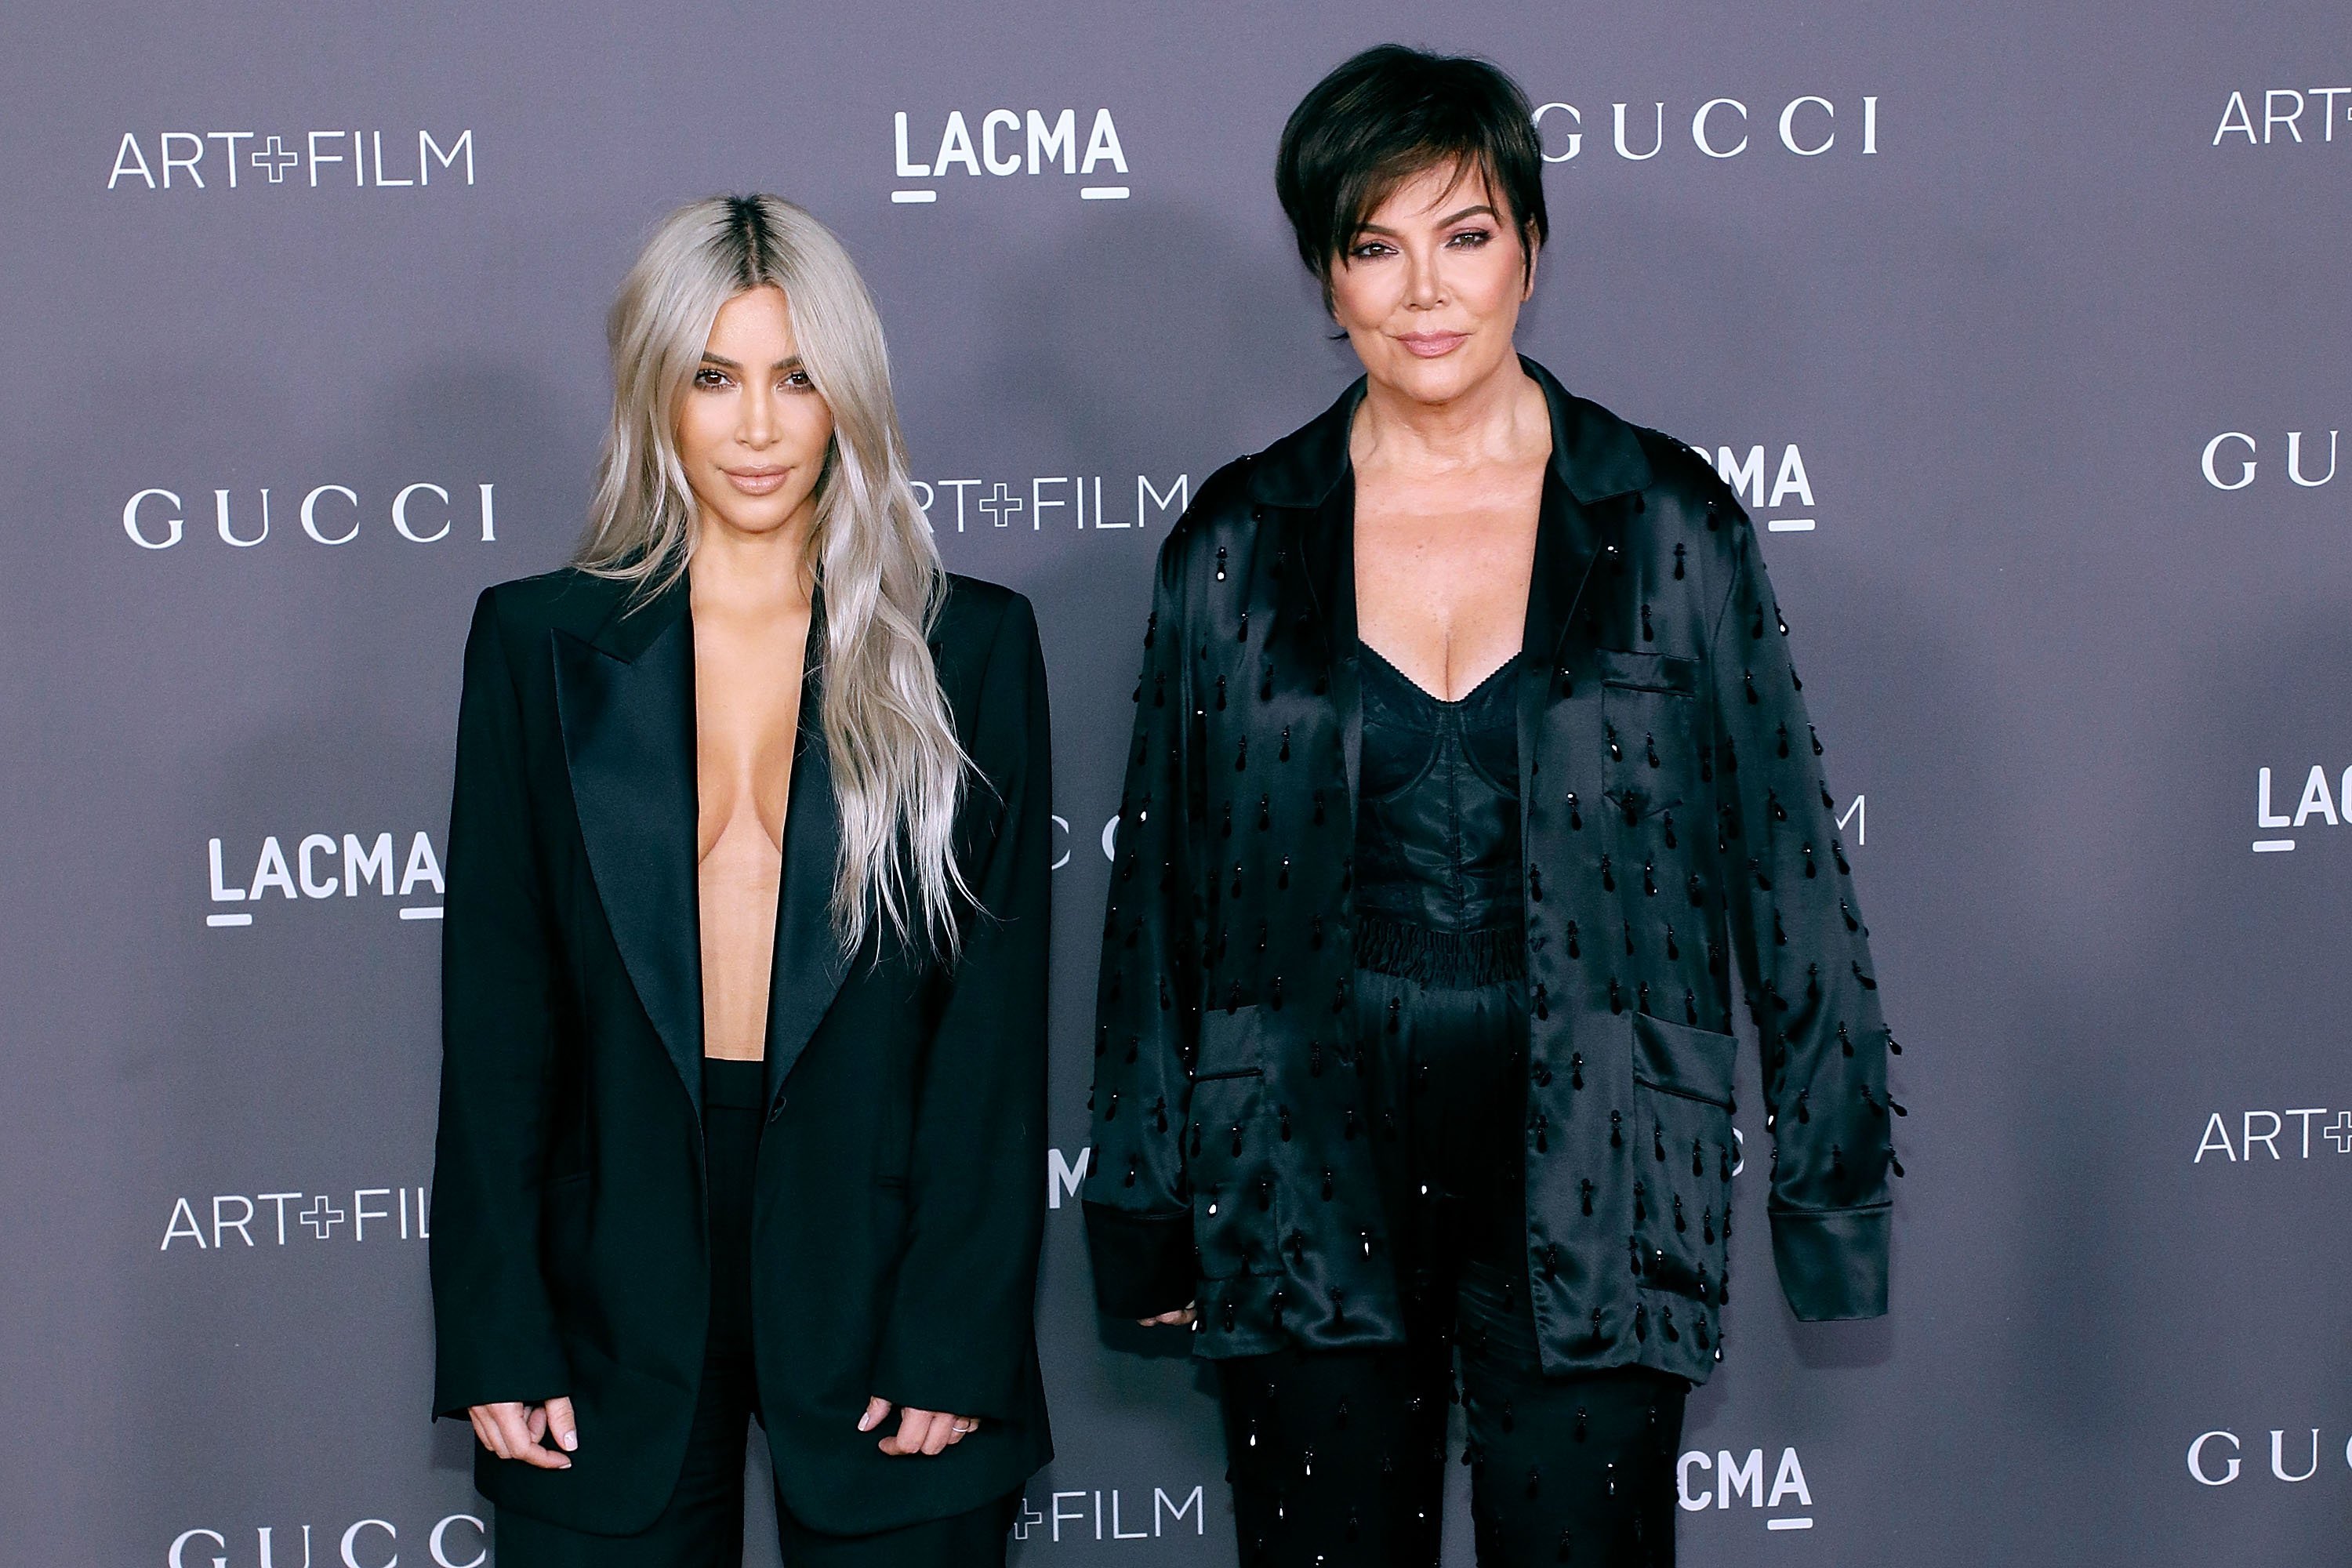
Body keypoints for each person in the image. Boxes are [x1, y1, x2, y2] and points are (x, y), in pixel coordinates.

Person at [1082, 46, 1898, 1566]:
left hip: (1598, 1148)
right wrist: (1143, 1207)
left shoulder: (1665, 521)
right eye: (1373, 247)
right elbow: (1161, 902)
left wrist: (1832, 1188)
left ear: (1530, 248)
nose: (1423, 290)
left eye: (1462, 235)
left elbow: (1785, 862)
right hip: (1299, 1156)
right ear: (1328, 279)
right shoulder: (1236, 542)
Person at [430, 194, 1052, 1566]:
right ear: (657, 388)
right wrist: (497, 1325)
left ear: (849, 395)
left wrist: (957, 1328)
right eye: (714, 377)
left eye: (796, 376)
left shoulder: (970, 652)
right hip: (609, 1282)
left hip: (883, 1267)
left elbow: (990, 1034)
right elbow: (498, 1014)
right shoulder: (535, 643)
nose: (758, 426)